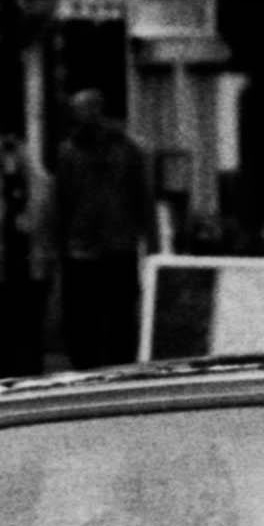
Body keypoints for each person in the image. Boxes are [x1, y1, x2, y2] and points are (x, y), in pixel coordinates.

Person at [52, 88, 154, 368]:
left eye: (87, 110)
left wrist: (150, 242)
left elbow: (142, 198)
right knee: (87, 320)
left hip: (116, 245)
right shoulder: (69, 152)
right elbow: (62, 202)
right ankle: (92, 366)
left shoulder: (127, 149)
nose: (83, 116)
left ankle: (116, 365)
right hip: (86, 247)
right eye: (78, 111)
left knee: (117, 318)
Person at [0, 132, 55, 379]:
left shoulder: (41, 184)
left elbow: (47, 220)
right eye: (4, 150)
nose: (10, 157)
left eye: (14, 149)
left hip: (32, 270)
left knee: (30, 336)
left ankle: (29, 383)